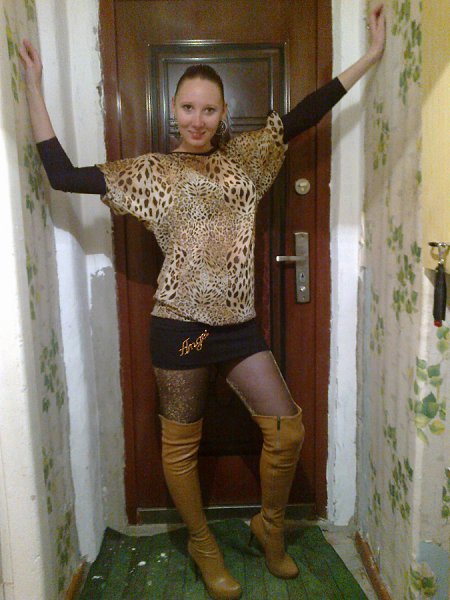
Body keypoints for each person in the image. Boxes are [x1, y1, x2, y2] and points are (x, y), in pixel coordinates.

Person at [20, 5, 385, 599]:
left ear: (222, 113)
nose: (197, 119)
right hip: (182, 330)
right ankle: (202, 543)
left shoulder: (247, 162)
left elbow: (306, 113)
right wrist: (35, 86)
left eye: (208, 109)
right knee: (181, 445)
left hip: (237, 328)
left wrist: (370, 56)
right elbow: (61, 174)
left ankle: (269, 526)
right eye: (188, 107)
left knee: (286, 431)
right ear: (173, 108)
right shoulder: (150, 173)